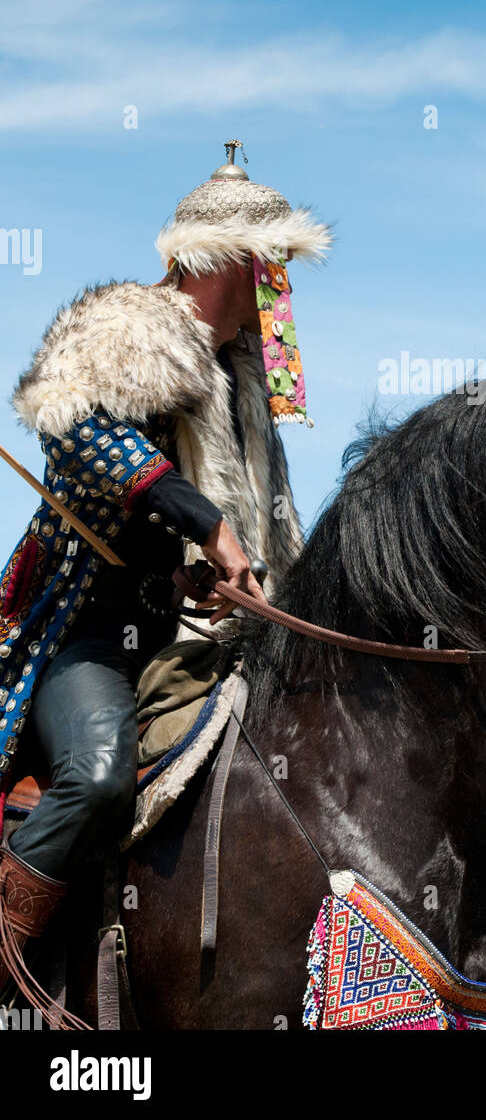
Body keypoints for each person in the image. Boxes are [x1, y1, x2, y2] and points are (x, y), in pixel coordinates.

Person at [0, 141, 330, 995]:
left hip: (168, 632)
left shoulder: (238, 378)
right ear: (238, 262)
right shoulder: (128, 327)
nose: (282, 292)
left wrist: (200, 577)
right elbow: (75, 428)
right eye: (276, 267)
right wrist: (211, 527)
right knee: (99, 773)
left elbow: (184, 535)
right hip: (81, 636)